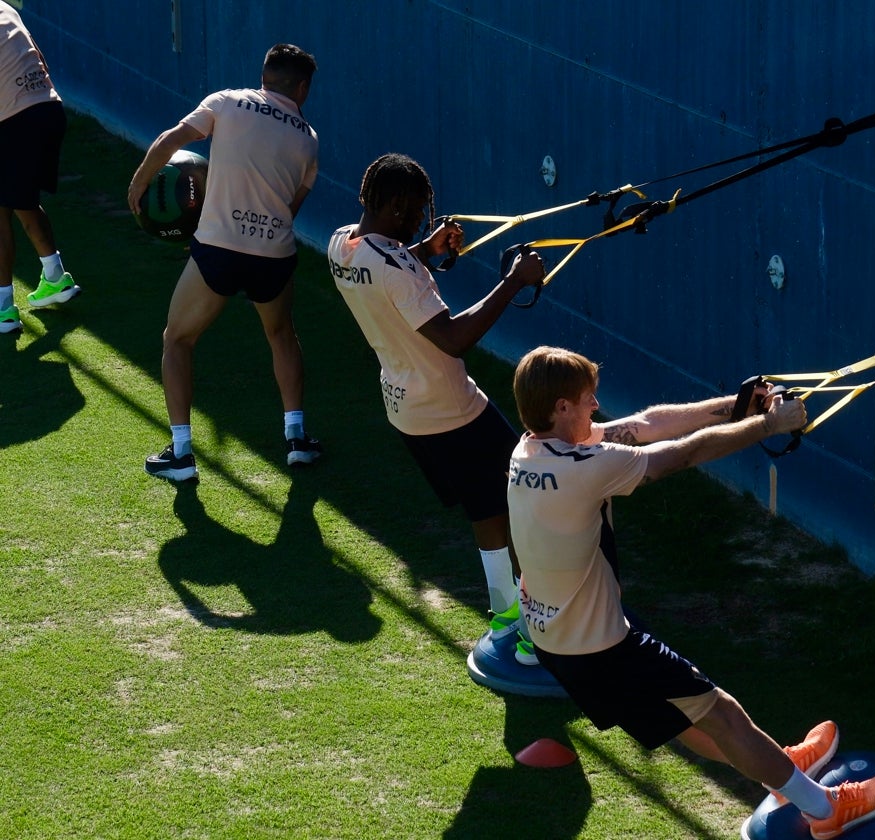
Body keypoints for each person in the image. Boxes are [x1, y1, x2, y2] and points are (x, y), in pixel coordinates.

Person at [507, 345, 875, 839]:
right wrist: (767, 427)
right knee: (721, 712)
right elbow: (682, 453)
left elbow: (648, 423)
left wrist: (734, 407)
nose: (595, 408)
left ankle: (781, 769)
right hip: (602, 648)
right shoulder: (585, 467)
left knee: (690, 722)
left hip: (558, 642)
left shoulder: (530, 451)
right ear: (561, 407)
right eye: (587, 400)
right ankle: (823, 810)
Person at [327, 153, 547, 668]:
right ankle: (537, 636)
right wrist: (515, 280)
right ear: (398, 206)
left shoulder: (342, 244)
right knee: (527, 504)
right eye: (419, 214)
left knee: (485, 509)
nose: (422, 222)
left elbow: (388, 268)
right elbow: (453, 337)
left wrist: (424, 249)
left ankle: (505, 615)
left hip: (407, 413)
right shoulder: (400, 268)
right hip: (455, 410)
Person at [127, 43, 321, 481]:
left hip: (218, 250)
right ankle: (296, 440)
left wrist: (138, 185)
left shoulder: (227, 101)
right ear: (303, 88)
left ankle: (180, 454)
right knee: (281, 334)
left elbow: (169, 141)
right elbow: (289, 211)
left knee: (177, 339)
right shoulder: (309, 142)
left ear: (265, 75)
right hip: (274, 256)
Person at [0, 0, 81, 335]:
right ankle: (54, 276)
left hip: (14, 119)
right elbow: (38, 57)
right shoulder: (6, 8)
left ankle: (3, 310)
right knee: (20, 197)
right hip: (48, 108)